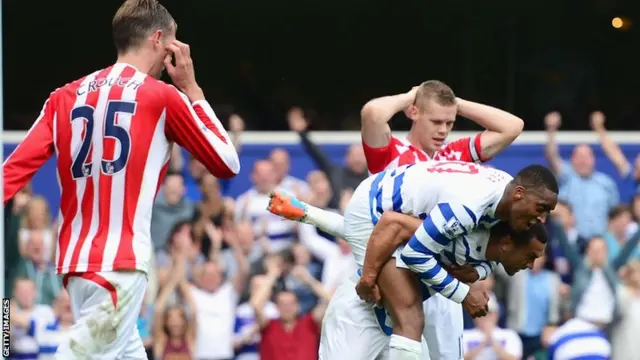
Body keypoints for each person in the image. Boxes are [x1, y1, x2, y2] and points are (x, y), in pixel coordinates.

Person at [2, 0, 241, 358]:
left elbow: (11, 172)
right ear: (159, 39)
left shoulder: (63, 97)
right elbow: (226, 162)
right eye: (173, 45)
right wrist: (192, 89)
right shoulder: (162, 96)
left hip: (75, 265)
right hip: (120, 265)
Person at [271, 161, 558, 359]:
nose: (532, 265)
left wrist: (309, 214)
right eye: (531, 256)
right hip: (371, 212)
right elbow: (395, 229)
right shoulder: (467, 213)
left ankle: (305, 212)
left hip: (379, 295)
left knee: (420, 324)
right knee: (411, 318)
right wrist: (462, 294)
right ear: (507, 242)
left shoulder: (493, 222)